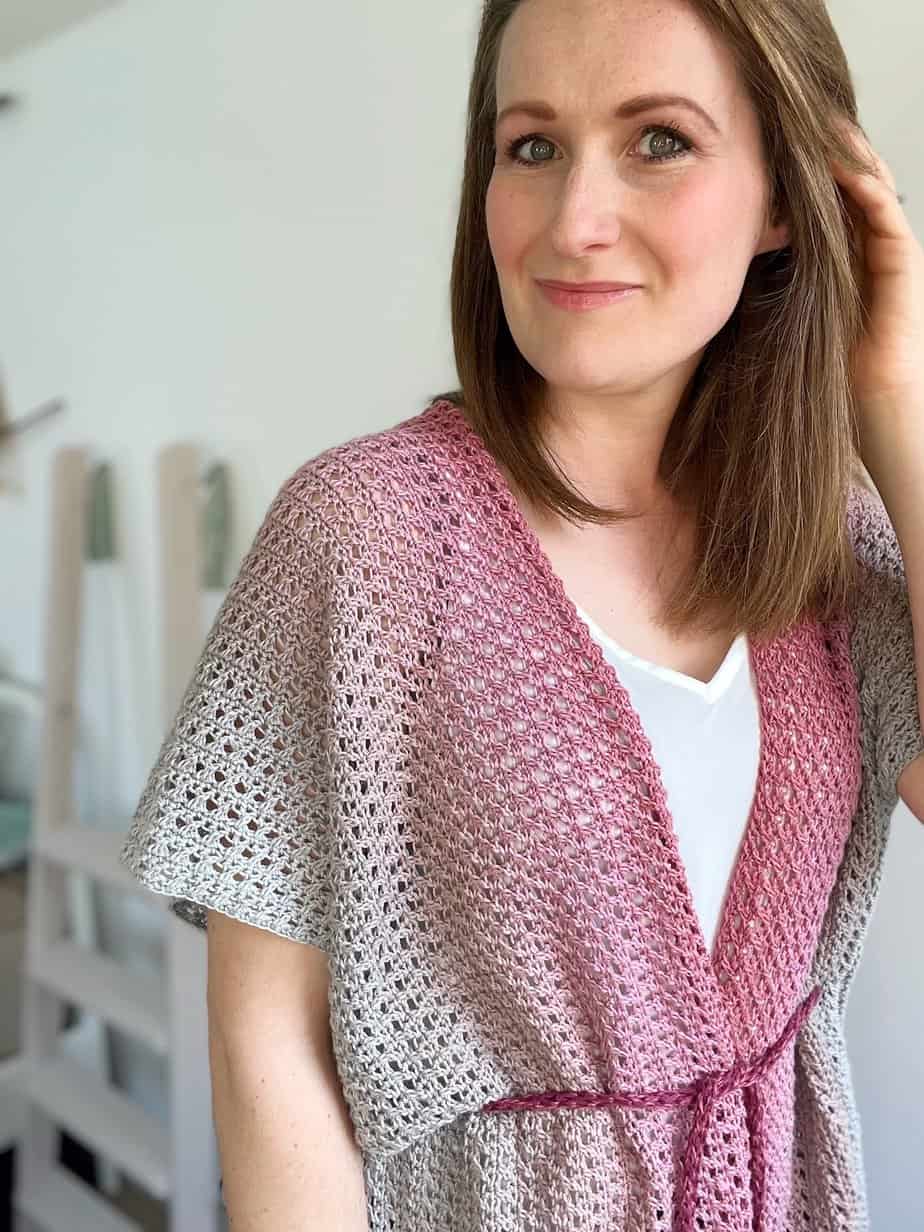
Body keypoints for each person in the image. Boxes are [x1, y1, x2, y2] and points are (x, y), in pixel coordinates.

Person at [119, 1, 924, 1228]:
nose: (573, 223)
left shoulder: (830, 543)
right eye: (531, 146)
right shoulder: (367, 537)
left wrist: (894, 404)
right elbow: (268, 1044)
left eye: (659, 140)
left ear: (785, 198)